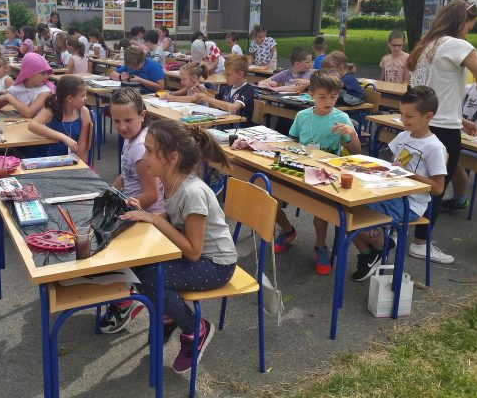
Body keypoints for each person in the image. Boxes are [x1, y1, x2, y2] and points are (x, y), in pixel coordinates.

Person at [120, 119, 237, 374]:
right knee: (138, 266)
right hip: (198, 257)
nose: (144, 156)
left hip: (216, 265)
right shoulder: (169, 181)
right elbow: (174, 220)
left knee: (153, 277)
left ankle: (196, 329)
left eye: (150, 151)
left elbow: (193, 251)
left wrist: (155, 220)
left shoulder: (191, 192)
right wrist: (148, 215)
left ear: (172, 157)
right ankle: (169, 313)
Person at [407, 0, 477, 244]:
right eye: (469, 27)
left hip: (420, 124)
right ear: (462, 22)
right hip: (443, 132)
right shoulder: (457, 45)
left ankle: (400, 233)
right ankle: (421, 243)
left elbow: (433, 94)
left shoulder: (426, 45)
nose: (468, 32)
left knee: (416, 183)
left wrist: (460, 120)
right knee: (436, 188)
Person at [350, 86, 450, 280]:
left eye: (409, 116)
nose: (403, 120)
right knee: (346, 208)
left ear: (428, 116)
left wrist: (409, 175)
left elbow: (438, 188)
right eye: (402, 114)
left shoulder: (434, 147)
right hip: (390, 192)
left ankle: (381, 244)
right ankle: (371, 253)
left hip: (410, 204)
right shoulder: (404, 136)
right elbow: (392, 166)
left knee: (354, 214)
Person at [274, 69, 361, 275]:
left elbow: (356, 152)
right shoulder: (302, 116)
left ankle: (320, 246)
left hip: (326, 174)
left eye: (333, 96)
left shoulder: (341, 118)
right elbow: (291, 142)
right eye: (322, 97)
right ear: (311, 94)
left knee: (321, 208)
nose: (328, 101)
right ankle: (287, 229)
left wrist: (352, 134)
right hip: (301, 168)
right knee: (271, 195)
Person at [98, 87, 165, 333]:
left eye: (127, 120)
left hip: (149, 217)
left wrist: (119, 209)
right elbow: (126, 176)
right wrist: (109, 192)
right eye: (117, 121)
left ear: (142, 115)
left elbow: (151, 194)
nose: (122, 126)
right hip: (134, 207)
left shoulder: (140, 148)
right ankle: (123, 292)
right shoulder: (132, 140)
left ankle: (125, 300)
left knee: (103, 240)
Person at [441, 74, 477, 211]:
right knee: (449, 155)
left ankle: (458, 198)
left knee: (452, 157)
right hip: (462, 136)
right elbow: (452, 110)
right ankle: (457, 197)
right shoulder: (467, 89)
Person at [28, 75, 92, 162]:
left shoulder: (84, 112)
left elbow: (82, 145)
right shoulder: (52, 109)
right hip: (52, 161)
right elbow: (33, 125)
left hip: (73, 161)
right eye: (82, 96)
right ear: (69, 98)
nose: (86, 98)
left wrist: (79, 166)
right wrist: (63, 137)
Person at [190, 55, 255, 126]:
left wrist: (207, 98)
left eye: (228, 74)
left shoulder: (248, 89)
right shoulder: (229, 87)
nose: (225, 76)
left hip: (238, 129)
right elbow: (215, 98)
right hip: (223, 125)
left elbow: (233, 108)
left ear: (240, 74)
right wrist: (203, 92)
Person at [0, 52, 52, 118]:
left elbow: (28, 113)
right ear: (29, 72)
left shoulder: (45, 91)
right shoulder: (16, 89)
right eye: (42, 73)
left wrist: (9, 97)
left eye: (47, 73)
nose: (46, 76)